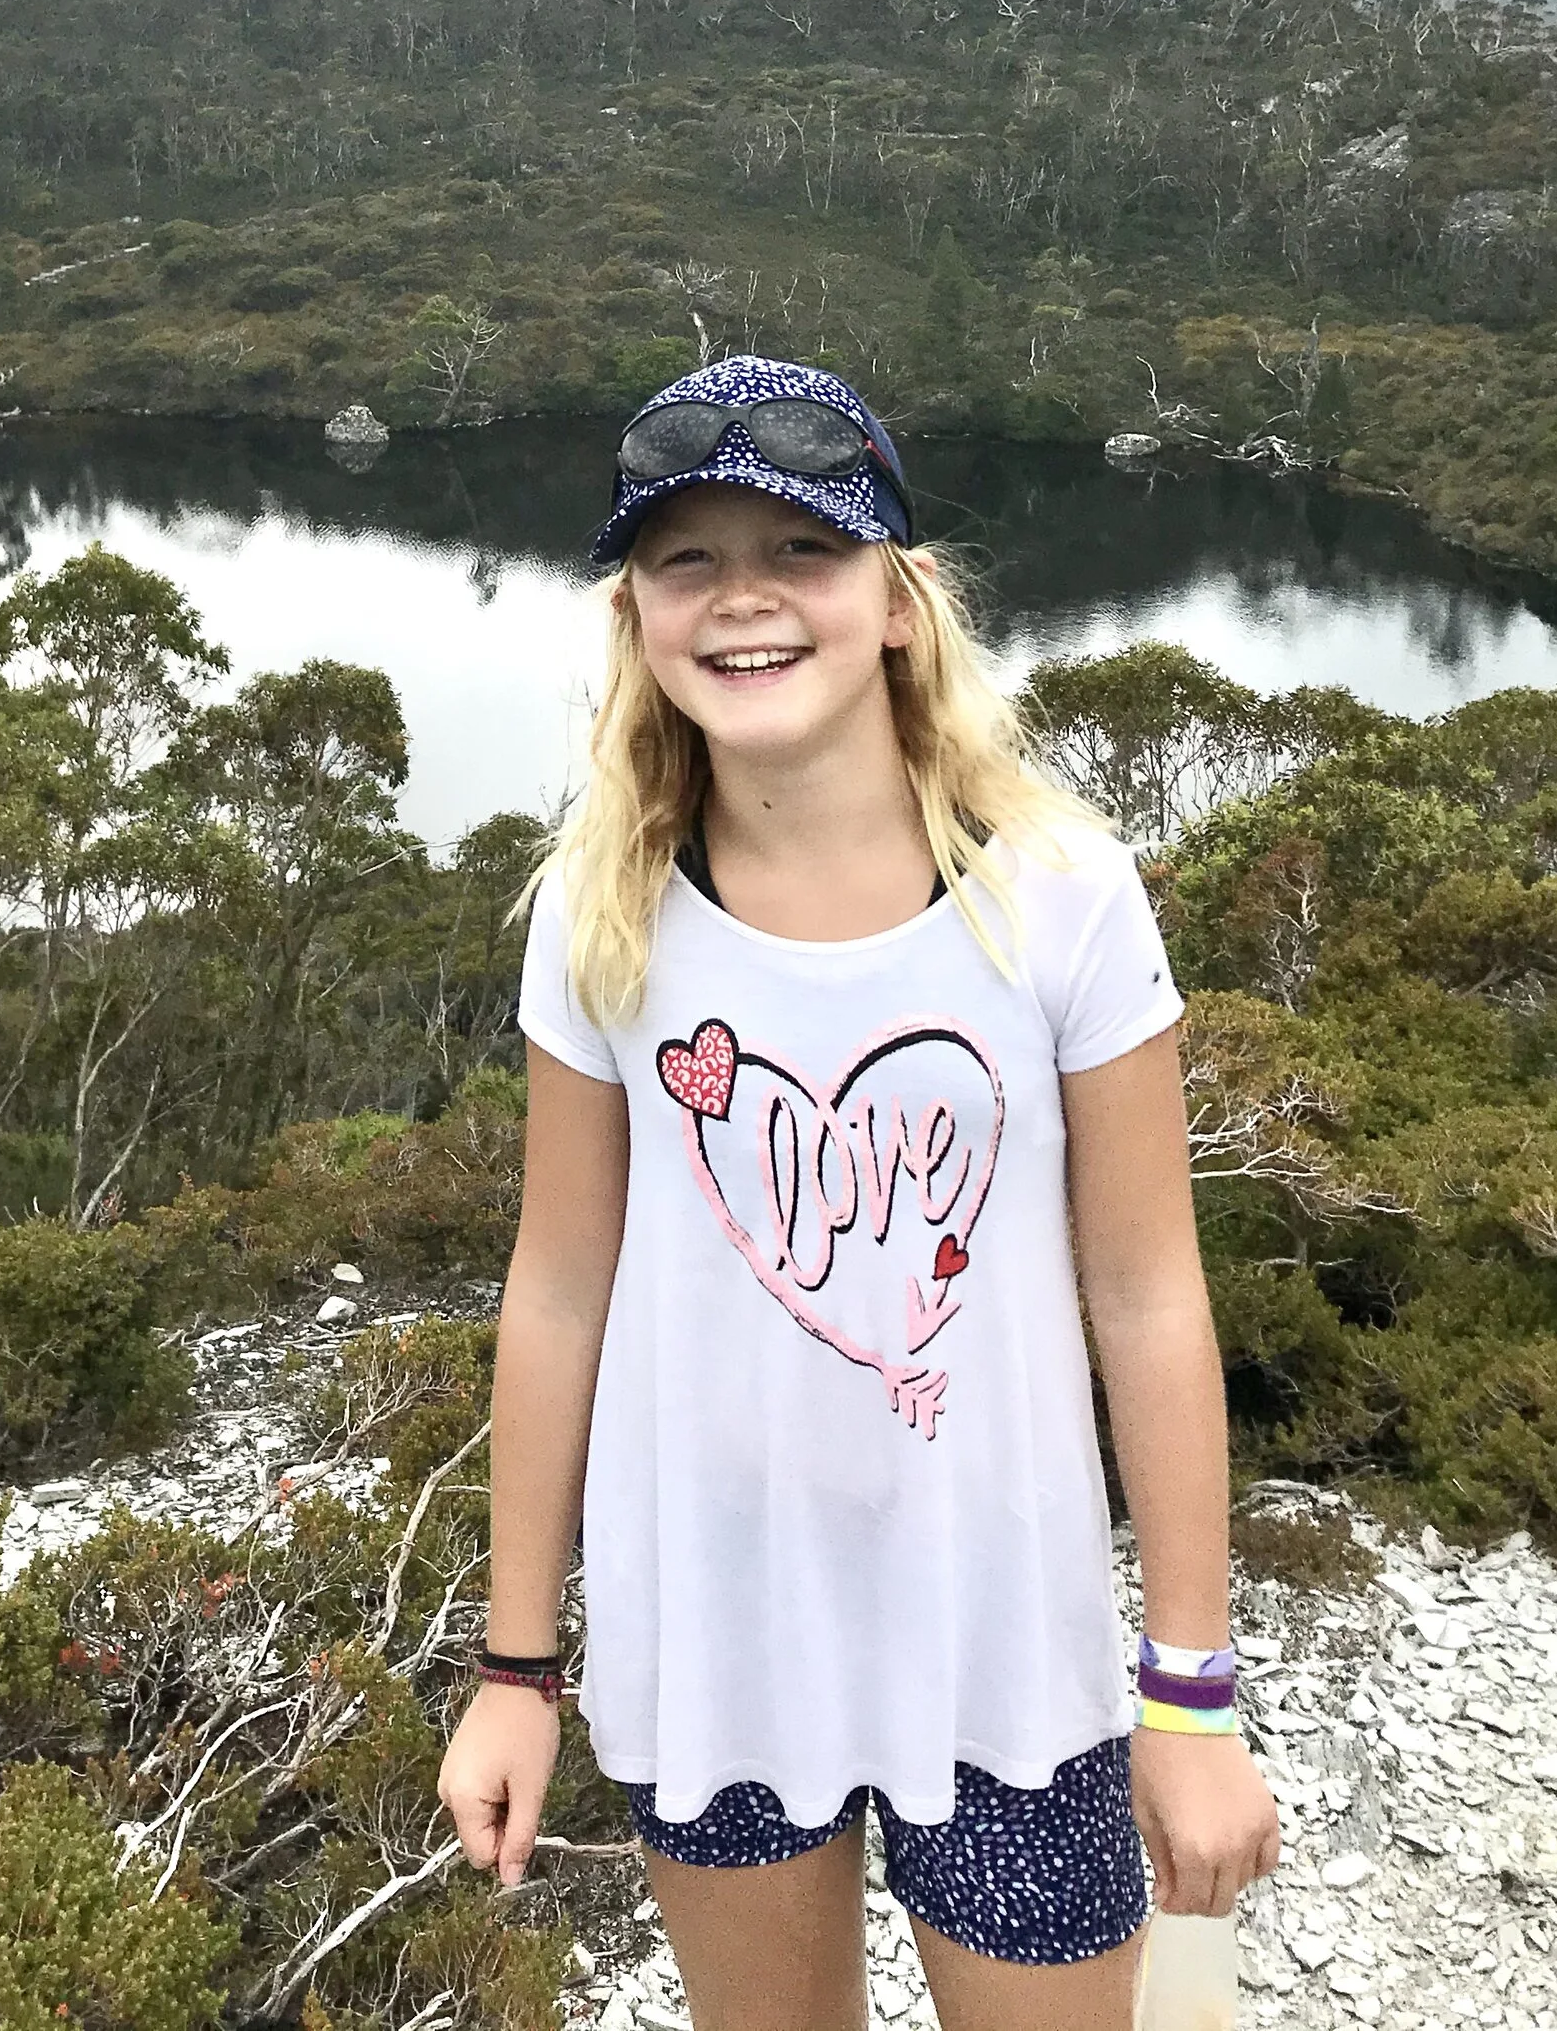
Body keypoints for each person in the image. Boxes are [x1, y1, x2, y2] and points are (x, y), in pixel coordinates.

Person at [437, 354, 1279, 2031]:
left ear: (899, 602)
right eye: (685, 561)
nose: (743, 602)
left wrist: (1190, 1699)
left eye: (801, 555)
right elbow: (558, 1292)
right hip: (716, 1653)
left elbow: (1147, 1293)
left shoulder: (1057, 897)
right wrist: (517, 1672)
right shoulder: (600, 918)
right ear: (638, 621)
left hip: (1010, 1662)